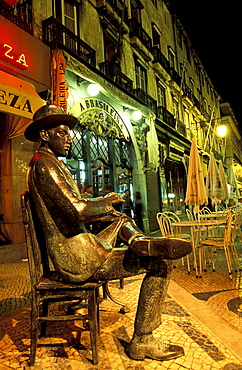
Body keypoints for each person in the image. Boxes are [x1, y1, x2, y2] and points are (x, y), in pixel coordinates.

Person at [24, 105, 192, 361]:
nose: (69, 138)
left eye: (69, 133)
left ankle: (139, 240)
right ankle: (143, 341)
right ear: (45, 135)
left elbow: (74, 207)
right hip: (77, 259)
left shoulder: (49, 164)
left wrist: (102, 206)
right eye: (62, 133)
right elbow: (78, 211)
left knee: (118, 218)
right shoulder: (45, 166)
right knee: (159, 265)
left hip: (81, 247)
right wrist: (107, 201)